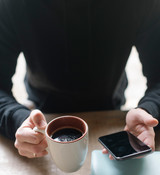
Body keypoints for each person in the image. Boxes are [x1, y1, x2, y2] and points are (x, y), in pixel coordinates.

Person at [0, 0, 159, 158]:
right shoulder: (11, 4)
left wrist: (149, 109)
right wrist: (17, 119)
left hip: (112, 112)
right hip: (40, 114)